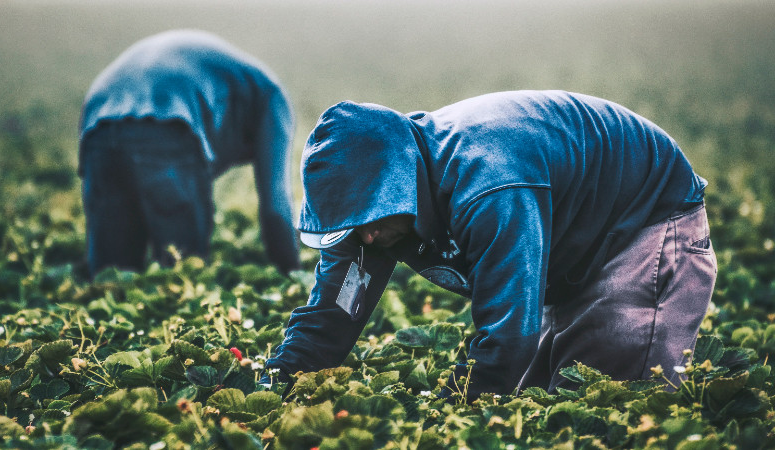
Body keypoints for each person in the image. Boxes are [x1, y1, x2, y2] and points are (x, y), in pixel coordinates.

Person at [264, 90, 717, 400]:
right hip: (568, 240)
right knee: (543, 400)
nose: (365, 238)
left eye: (371, 219)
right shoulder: (370, 221)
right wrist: (276, 382)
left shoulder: (488, 184)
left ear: (400, 185)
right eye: (351, 226)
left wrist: (448, 408)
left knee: (611, 398)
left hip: (645, 221)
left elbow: (508, 335)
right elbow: (333, 313)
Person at [78, 29, 299, 277]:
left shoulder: (238, 86)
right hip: (168, 118)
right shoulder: (274, 99)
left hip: (98, 119)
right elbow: (275, 208)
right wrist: (292, 274)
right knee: (181, 274)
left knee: (111, 277)